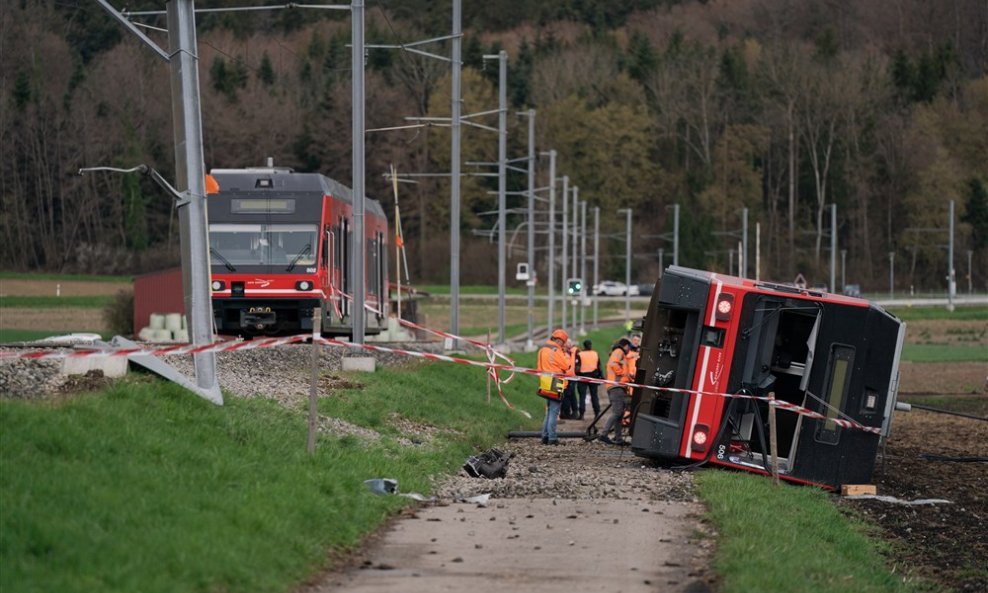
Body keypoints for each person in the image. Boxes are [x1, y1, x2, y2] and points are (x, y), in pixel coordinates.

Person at [537, 328, 572, 446]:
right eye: (563, 342)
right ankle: (552, 437)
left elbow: (539, 367)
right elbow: (566, 365)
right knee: (554, 412)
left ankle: (545, 436)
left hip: (545, 380)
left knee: (549, 411)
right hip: (556, 381)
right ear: (559, 340)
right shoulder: (556, 350)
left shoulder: (543, 349)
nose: (563, 345)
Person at [598, 338, 632, 445]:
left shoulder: (618, 353)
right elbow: (613, 364)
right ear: (625, 346)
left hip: (617, 386)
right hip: (616, 386)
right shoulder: (619, 351)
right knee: (617, 412)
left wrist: (628, 377)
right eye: (629, 347)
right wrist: (623, 374)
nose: (629, 350)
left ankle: (618, 439)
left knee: (620, 413)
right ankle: (604, 434)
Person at [575, 339, 602, 420]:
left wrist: (576, 375)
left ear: (584, 346)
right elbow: (599, 366)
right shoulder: (595, 353)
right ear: (591, 345)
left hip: (582, 377)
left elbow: (577, 367)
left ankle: (582, 414)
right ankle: (597, 413)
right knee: (594, 395)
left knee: (582, 396)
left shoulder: (580, 354)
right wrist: (601, 376)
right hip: (593, 377)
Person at [559, 340, 580, 419]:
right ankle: (571, 412)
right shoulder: (571, 352)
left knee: (567, 395)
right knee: (570, 395)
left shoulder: (570, 353)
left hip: (569, 376)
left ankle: (567, 413)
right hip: (569, 376)